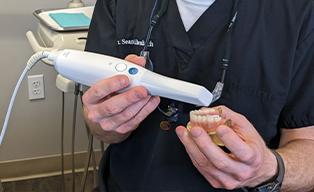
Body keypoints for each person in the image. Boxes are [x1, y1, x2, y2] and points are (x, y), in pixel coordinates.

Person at [82, 0, 314, 191]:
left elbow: (306, 142)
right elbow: (98, 123)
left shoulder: (300, 11)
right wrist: (108, 121)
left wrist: (267, 169)